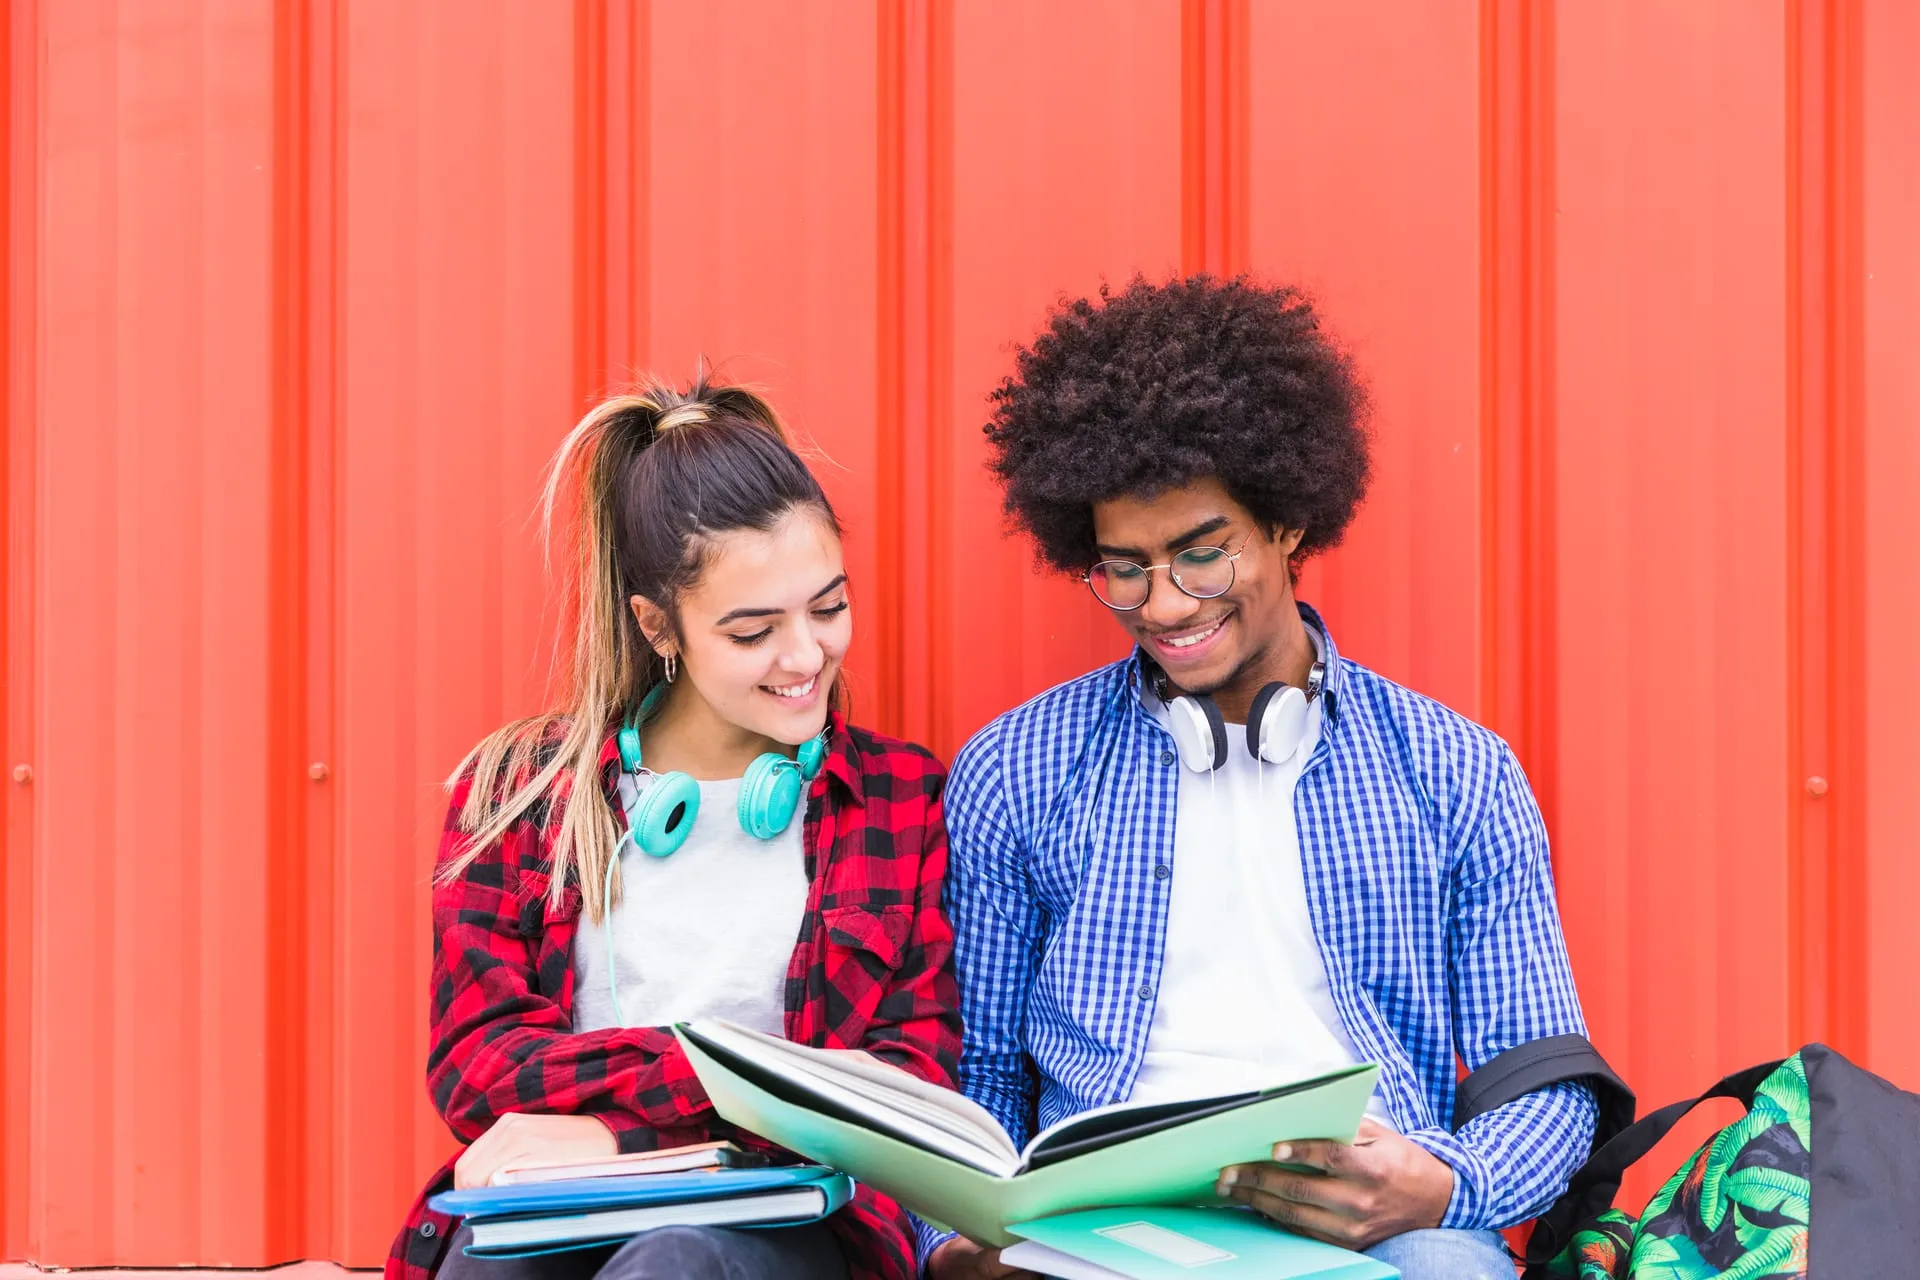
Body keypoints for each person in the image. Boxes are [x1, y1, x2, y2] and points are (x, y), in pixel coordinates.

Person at [921, 277, 1595, 1280]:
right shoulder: (1017, 771)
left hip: (1371, 1235)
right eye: (1125, 568)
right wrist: (955, 1245)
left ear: (1285, 523)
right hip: (1100, 1232)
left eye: (1202, 555)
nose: (1163, 605)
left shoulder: (1456, 770)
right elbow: (977, 1074)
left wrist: (1442, 1184)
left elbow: (1545, 1079)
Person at [385, 375, 960, 1280]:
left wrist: (620, 1129)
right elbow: (477, 1066)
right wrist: (755, 1082)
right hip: (553, 1209)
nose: (805, 655)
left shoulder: (899, 799)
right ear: (660, 626)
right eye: (753, 631)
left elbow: (907, 1082)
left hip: (789, 1225)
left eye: (828, 607)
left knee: (677, 1264)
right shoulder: (519, 794)